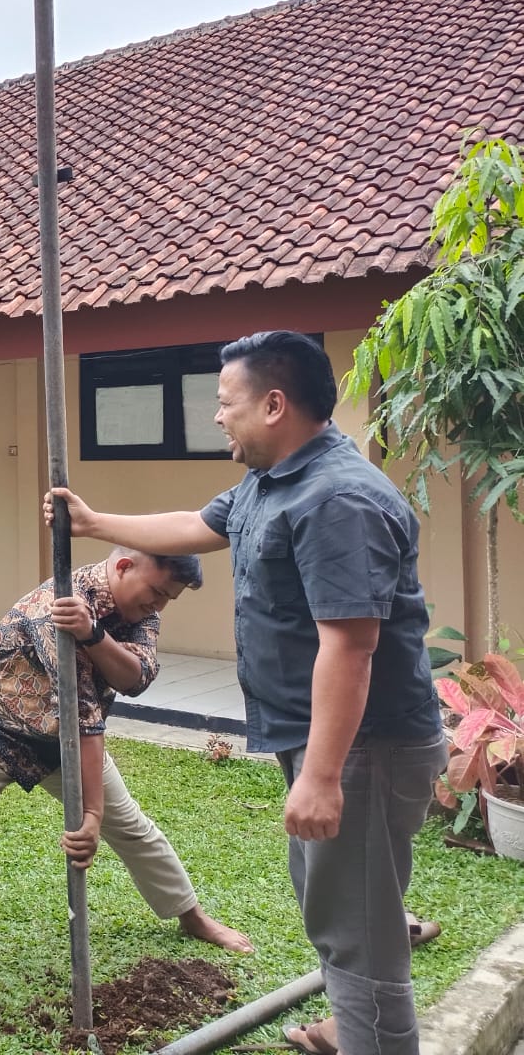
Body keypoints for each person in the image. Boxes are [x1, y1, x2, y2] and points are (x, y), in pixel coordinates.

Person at [46, 331, 445, 1055]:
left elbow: (350, 646)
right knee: (338, 904)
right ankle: (348, 1027)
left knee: (356, 922)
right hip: (325, 737)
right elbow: (195, 527)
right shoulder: (275, 479)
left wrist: (323, 776)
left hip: (363, 746)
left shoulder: (336, 499)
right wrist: (95, 523)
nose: (215, 417)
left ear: (272, 403)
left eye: (224, 404)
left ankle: (376, 1038)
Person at [0, 549, 253, 1024]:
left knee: (131, 827)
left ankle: (192, 916)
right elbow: (84, 712)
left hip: (59, 743)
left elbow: (137, 677)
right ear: (124, 566)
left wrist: (95, 635)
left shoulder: (138, 608)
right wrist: (91, 816)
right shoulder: (58, 605)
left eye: (169, 598)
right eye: (156, 593)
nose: (159, 607)